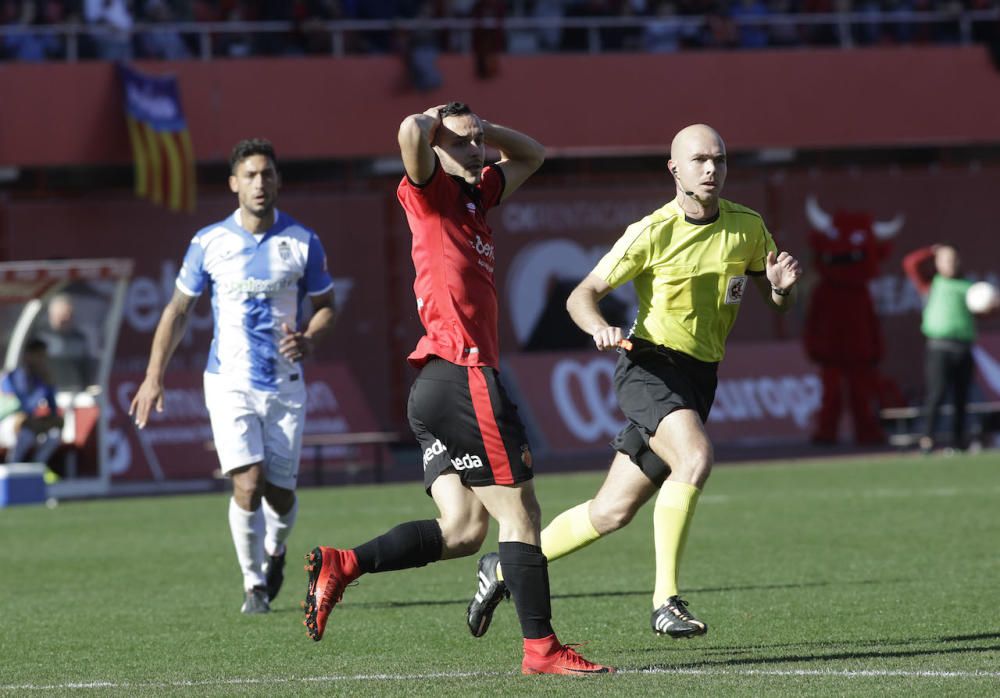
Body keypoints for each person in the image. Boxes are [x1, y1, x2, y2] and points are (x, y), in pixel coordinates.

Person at [302, 102, 613, 676]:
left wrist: (480, 129)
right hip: (462, 373)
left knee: (465, 530)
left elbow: (533, 155)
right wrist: (433, 120)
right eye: (463, 143)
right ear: (438, 149)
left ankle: (343, 564)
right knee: (521, 515)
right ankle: (542, 650)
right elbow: (408, 131)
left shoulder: (476, 195)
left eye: (479, 142)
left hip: (435, 386)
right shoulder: (430, 192)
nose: (477, 151)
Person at [466, 123, 802, 640]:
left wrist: (780, 290)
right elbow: (580, 294)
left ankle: (503, 568)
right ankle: (666, 600)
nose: (711, 169)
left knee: (611, 511)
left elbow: (777, 300)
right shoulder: (652, 231)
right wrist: (598, 326)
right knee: (695, 457)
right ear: (674, 169)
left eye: (719, 160)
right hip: (649, 368)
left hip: (699, 379)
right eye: (699, 160)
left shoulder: (748, 227)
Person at [129, 139, 337, 615]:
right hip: (228, 382)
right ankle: (254, 585)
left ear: (278, 181)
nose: (259, 183)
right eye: (250, 175)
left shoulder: (303, 241)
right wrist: (153, 375)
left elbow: (327, 306)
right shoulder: (209, 243)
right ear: (233, 184)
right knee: (248, 482)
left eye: (267, 174)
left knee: (280, 494)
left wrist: (309, 338)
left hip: (284, 385)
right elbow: (177, 310)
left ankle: (276, 550)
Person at [902, 244, 997, 453]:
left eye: (954, 260)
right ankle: (927, 439)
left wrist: (992, 306)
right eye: (946, 260)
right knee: (936, 394)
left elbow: (984, 313)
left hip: (963, 348)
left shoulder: (968, 288)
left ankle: (958, 441)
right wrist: (932, 251)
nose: (951, 264)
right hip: (939, 348)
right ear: (937, 263)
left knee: (961, 397)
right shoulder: (931, 284)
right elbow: (910, 264)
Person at [0, 338, 63, 465]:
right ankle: (12, 466)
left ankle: (37, 466)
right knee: (26, 433)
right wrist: (43, 388)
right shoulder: (12, 377)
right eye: (39, 356)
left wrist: (50, 386)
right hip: (7, 423)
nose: (42, 361)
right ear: (28, 356)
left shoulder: (41, 380)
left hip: (29, 424)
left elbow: (53, 409)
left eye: (44, 357)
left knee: (54, 434)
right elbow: (19, 406)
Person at [36, 293, 93, 392]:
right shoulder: (40, 337)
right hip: (48, 392)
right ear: (52, 315)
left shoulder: (79, 338)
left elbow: (86, 368)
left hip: (76, 392)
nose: (66, 319)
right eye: (62, 315)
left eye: (70, 315)